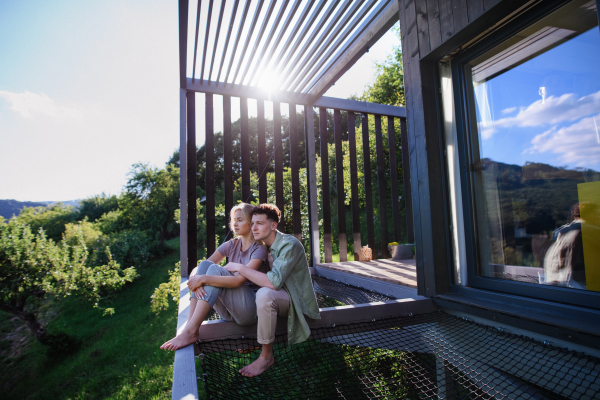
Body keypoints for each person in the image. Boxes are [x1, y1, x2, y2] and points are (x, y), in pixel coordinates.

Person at [225, 204, 320, 377]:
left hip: (294, 300)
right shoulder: (263, 246)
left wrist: (241, 268)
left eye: (259, 223)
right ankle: (251, 339)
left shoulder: (288, 244)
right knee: (253, 295)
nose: (254, 228)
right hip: (277, 298)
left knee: (264, 294)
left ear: (273, 225)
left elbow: (272, 282)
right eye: (252, 223)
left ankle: (266, 356)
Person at [160, 203, 268, 351]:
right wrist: (196, 278)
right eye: (234, 220)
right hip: (230, 311)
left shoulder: (259, 249)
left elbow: (238, 281)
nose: (235, 223)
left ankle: (190, 331)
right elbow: (200, 268)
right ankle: (190, 327)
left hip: (249, 311)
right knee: (205, 265)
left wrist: (203, 279)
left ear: (251, 223)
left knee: (214, 270)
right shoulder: (232, 244)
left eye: (240, 220)